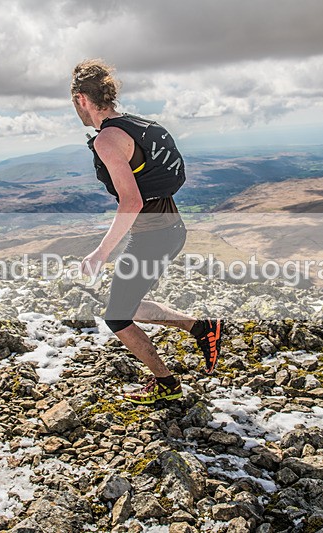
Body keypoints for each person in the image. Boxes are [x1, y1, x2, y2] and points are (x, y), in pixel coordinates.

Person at [71, 59, 223, 405]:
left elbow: (131, 201)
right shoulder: (136, 126)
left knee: (117, 316)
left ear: (82, 99)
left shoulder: (107, 140)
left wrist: (100, 253)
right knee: (127, 304)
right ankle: (201, 327)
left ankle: (167, 385)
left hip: (153, 237)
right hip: (168, 230)